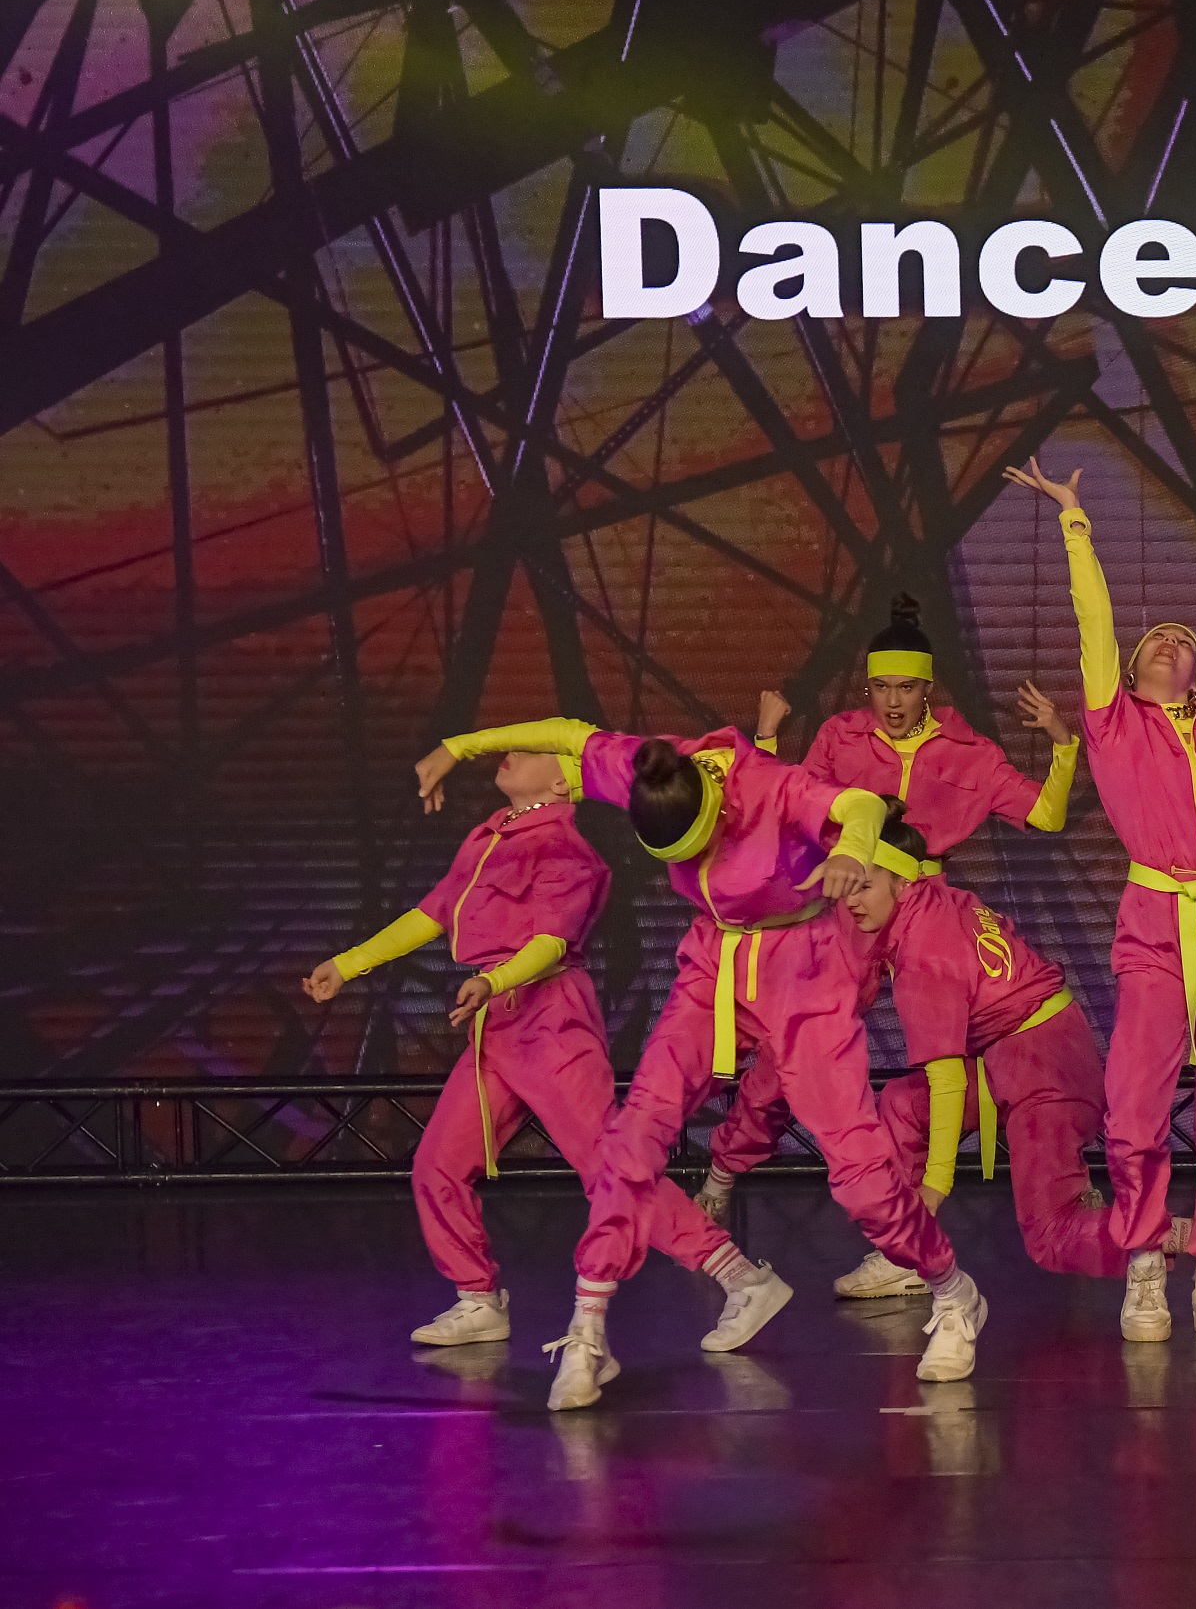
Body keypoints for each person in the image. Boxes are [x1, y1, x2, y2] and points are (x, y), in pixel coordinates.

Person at [415, 720, 987, 1407]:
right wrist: (458, 745)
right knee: (633, 1138)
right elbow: (568, 731)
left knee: (860, 1176)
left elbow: (860, 805)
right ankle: (588, 1328)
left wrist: (852, 848)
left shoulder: (769, 786)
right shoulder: (653, 766)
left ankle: (953, 1291)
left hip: (801, 969)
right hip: (713, 964)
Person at [1006, 457, 1196, 1345]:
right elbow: (1093, 621)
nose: (1168, 642)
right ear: (1129, 675)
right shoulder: (1114, 725)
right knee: (1134, 1107)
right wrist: (1074, 522)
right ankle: (1141, 1263)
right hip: (1157, 925)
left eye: (1181, 640)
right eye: (1152, 642)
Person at [303, 750, 726, 1348]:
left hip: (549, 1016)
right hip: (494, 1022)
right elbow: (431, 914)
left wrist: (494, 980)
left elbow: (552, 942)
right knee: (438, 1164)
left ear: (561, 781)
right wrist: (347, 964)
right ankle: (478, 1298)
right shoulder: (487, 838)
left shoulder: (566, 850)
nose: (512, 751)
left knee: (608, 1165)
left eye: (531, 750)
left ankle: (734, 1272)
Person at [693, 594, 1080, 1216]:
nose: (893, 702)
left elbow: (1047, 814)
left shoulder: (968, 751)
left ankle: (945, 1198)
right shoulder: (840, 738)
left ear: (928, 689)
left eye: (906, 688)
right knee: (788, 1048)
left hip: (925, 912)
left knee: (958, 1050)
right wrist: (764, 738)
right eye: (880, 688)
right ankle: (721, 1173)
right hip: (855, 910)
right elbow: (787, 808)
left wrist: (1063, 745)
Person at [816, 807, 1132, 1295]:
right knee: (902, 1104)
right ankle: (907, 1254)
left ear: (901, 881)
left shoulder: (925, 953)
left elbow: (947, 1081)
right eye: (848, 888)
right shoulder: (937, 898)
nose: (851, 901)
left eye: (864, 887)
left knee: (1052, 1236)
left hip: (1046, 1067)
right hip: (1014, 1055)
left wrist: (935, 1186)